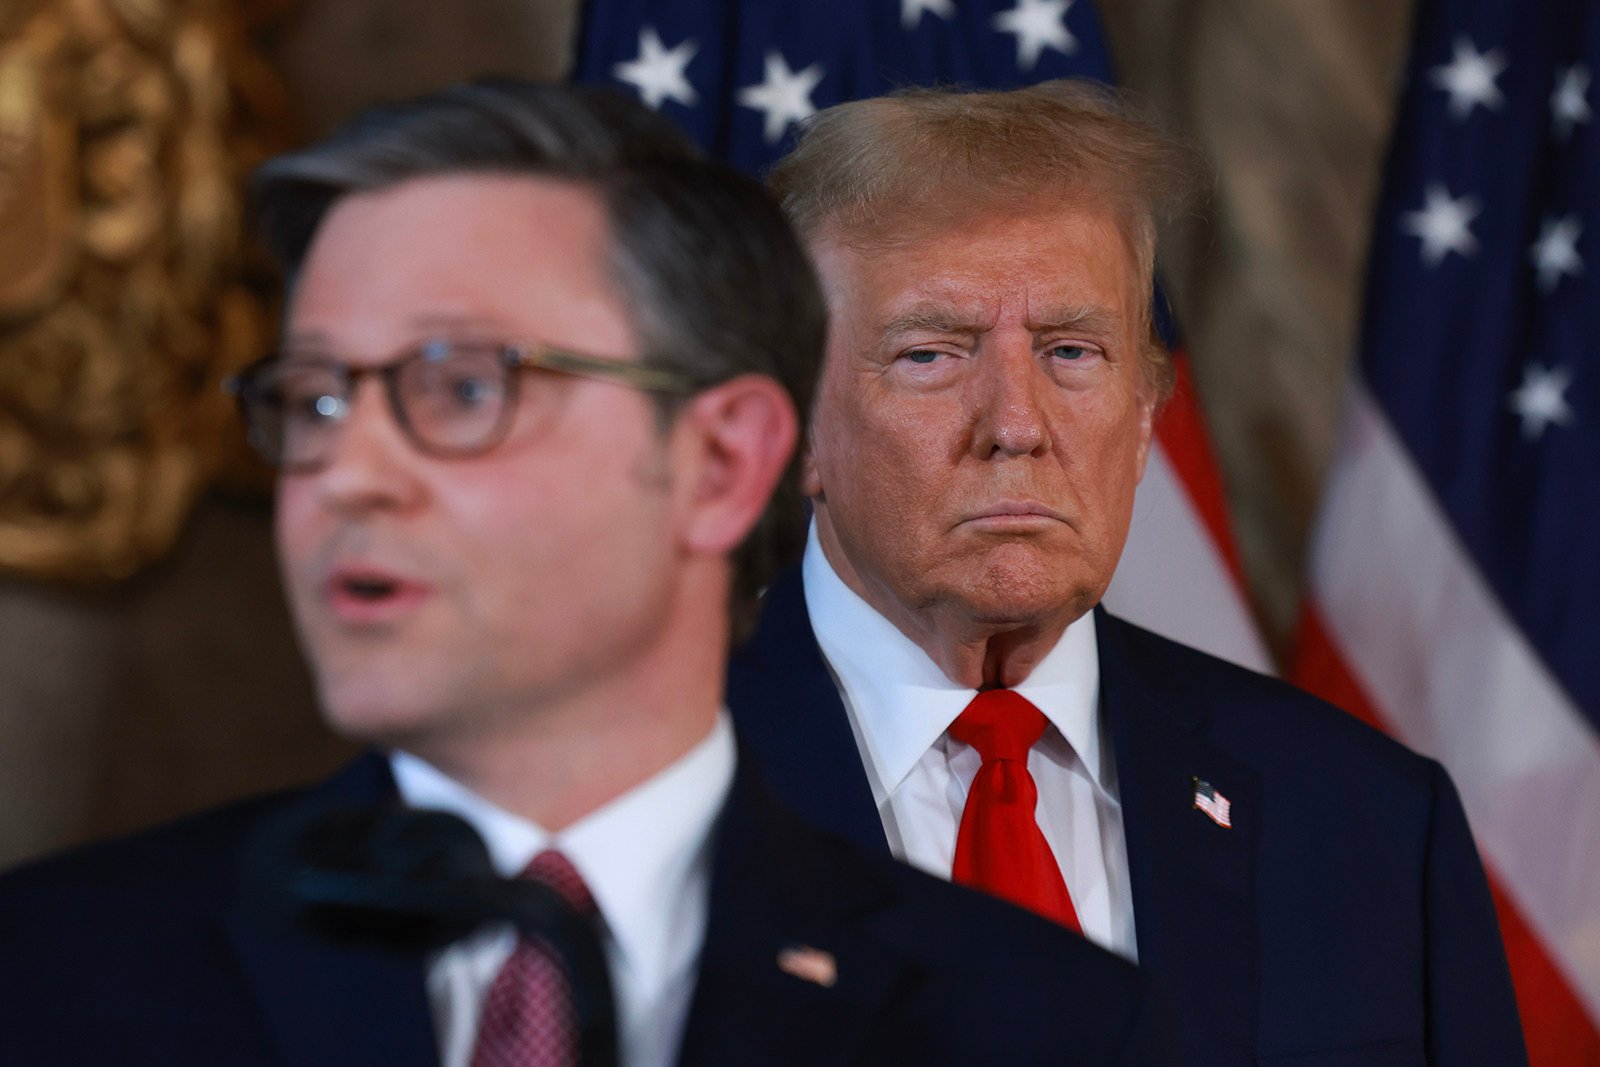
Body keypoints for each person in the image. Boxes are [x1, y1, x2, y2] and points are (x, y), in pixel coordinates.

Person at [0, 81, 1172, 1066]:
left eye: (460, 386)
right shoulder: (52, 974)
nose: (347, 472)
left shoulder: (1042, 1022)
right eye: (314, 399)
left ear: (719, 463)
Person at [727, 80, 1529, 1066]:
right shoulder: (619, 778)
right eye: (932, 354)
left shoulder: (1367, 823)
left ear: (1145, 414)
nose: (1015, 424)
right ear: (794, 420)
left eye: (1072, 352)